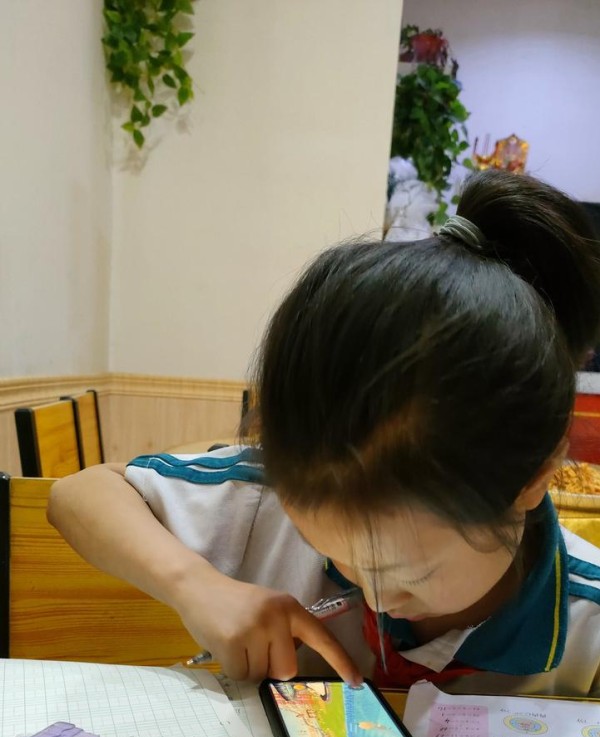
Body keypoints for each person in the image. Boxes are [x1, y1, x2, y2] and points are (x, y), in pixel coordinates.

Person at [48, 169, 600, 696]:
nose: (375, 601)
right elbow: (77, 494)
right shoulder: (267, 504)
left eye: (411, 575)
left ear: (534, 476)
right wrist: (197, 587)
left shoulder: (586, 620)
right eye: (331, 554)